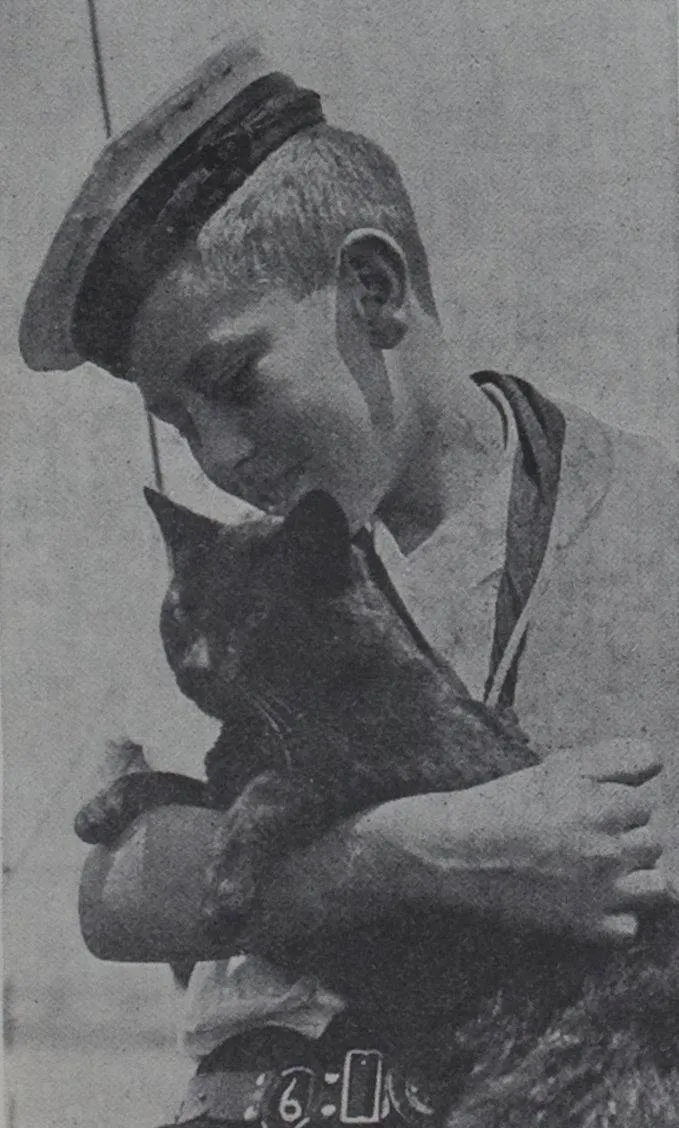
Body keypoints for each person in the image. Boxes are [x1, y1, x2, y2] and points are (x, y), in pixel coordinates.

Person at [21, 36, 678, 1128]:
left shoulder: (649, 532)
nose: (221, 457)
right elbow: (119, 891)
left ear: (373, 291)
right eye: (178, 422)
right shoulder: (232, 579)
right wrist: (421, 855)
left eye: (235, 383)